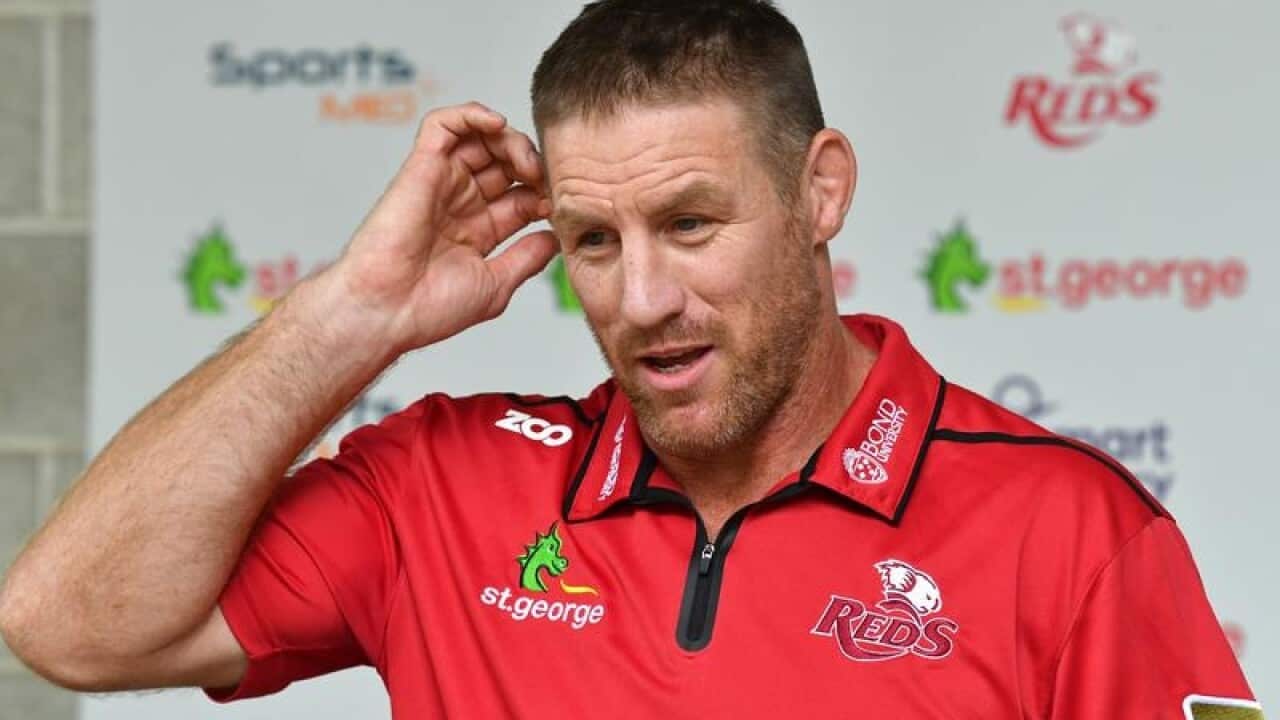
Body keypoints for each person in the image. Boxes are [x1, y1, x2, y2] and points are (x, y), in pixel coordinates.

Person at [0, 1, 1262, 717]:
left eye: (691, 224)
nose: (642, 297)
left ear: (819, 192)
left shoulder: (1071, 536)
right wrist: (348, 313)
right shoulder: (445, 487)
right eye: (593, 239)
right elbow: (68, 626)